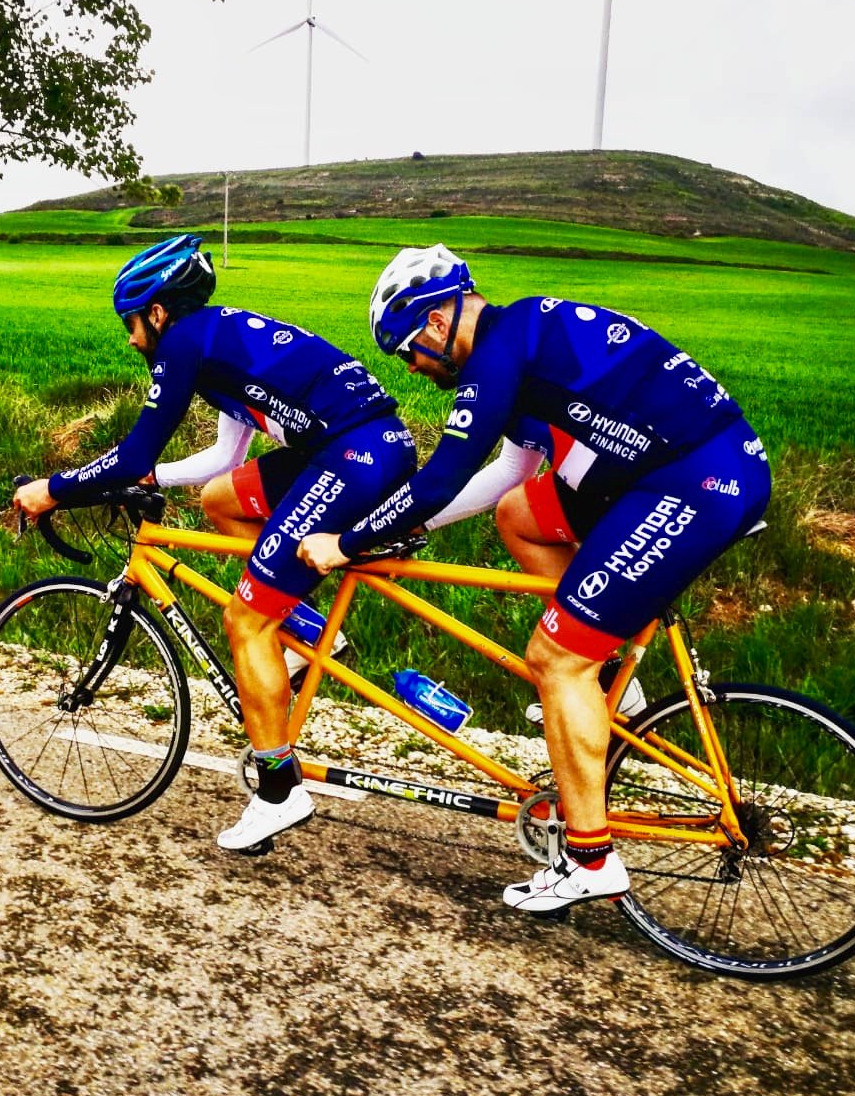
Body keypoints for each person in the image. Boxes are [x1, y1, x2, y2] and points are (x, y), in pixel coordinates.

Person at [298, 244, 770, 911]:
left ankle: (590, 858)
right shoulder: (520, 343)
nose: (412, 367)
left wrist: (347, 542)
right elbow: (505, 480)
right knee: (523, 515)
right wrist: (402, 532)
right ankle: (609, 681)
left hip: (695, 483)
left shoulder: (497, 356)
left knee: (553, 658)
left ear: (435, 323)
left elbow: (441, 479)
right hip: (670, 473)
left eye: (407, 350)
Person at [13, 234, 417, 851]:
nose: (130, 340)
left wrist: (55, 488)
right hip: (356, 450)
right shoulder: (219, 341)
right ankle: (307, 632)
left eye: (131, 323)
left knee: (245, 620)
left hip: (352, 459)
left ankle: (280, 791)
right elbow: (225, 456)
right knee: (222, 501)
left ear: (156, 312)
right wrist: (155, 480)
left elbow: (133, 453)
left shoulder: (181, 343)